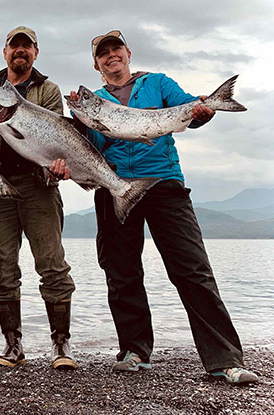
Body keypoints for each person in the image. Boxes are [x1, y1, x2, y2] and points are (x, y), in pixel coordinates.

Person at [65, 29, 258, 384]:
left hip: (164, 183)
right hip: (114, 187)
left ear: (127, 53)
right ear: (96, 65)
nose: (112, 56)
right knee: (121, 273)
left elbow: (190, 112)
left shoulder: (158, 83)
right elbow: (89, 147)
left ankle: (224, 360)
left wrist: (204, 110)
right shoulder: (94, 102)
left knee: (192, 269)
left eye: (116, 49)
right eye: (104, 53)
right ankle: (135, 350)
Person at [0, 26, 77, 370]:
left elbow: (51, 136)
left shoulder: (48, 89)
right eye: (14, 46)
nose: (20, 51)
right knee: (1, 268)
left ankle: (61, 344)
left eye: (26, 47)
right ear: (5, 52)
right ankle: (12, 344)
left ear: (35, 53)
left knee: (52, 265)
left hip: (39, 188)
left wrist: (59, 164)